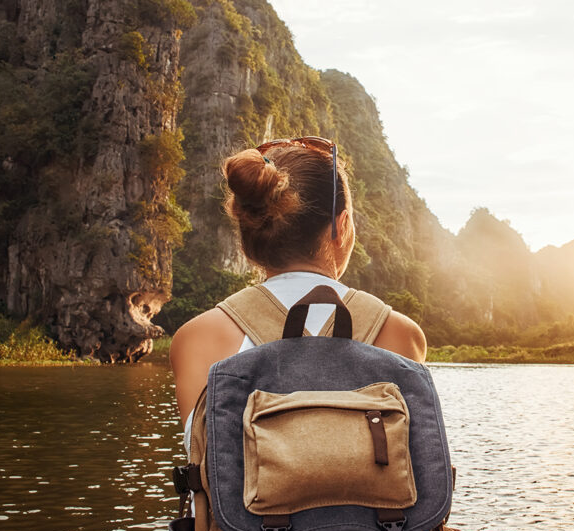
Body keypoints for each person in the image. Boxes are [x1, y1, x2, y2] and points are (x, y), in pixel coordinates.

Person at [169, 136, 427, 435]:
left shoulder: (197, 338)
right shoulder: (400, 334)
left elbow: (204, 466)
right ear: (342, 227)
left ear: (245, 239)